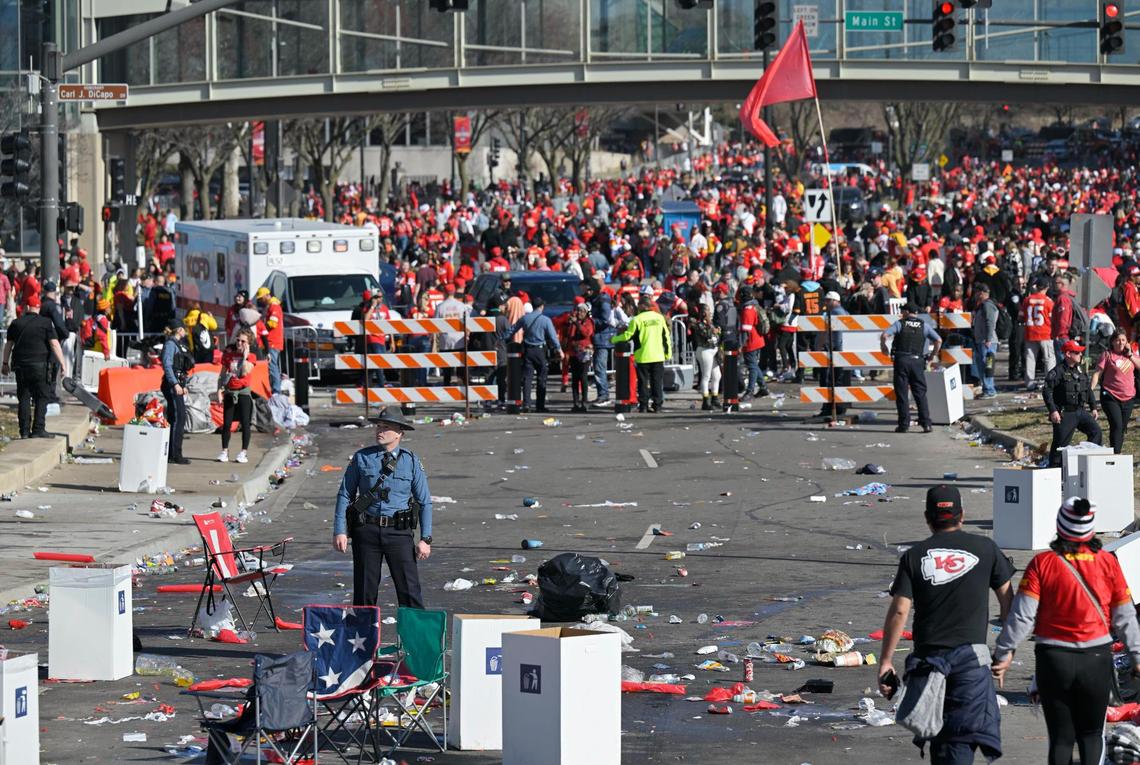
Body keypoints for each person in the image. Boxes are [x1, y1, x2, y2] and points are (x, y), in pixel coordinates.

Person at [992, 497, 1140, 765]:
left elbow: (1022, 615)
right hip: (1095, 659)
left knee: (1061, 738)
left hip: (1053, 659)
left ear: (1060, 526)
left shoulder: (1042, 564)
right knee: (1092, 734)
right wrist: (1137, 657)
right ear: (1091, 529)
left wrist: (1004, 653)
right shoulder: (1108, 563)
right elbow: (1125, 616)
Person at [878, 485, 1014, 765]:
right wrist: (1006, 649)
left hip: (930, 663)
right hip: (972, 664)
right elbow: (1008, 600)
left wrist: (886, 660)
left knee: (944, 744)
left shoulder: (914, 556)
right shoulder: (985, 548)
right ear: (962, 515)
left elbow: (900, 610)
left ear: (927, 518)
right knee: (960, 741)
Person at [333, 408, 433, 608]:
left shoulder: (411, 461)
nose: (379, 430)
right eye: (378, 425)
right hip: (366, 531)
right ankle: (363, 638)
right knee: (364, 593)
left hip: (399, 532)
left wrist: (425, 538)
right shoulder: (362, 458)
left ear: (399, 433)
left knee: (409, 591)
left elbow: (424, 501)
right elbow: (345, 494)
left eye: (386, 427)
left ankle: (414, 639)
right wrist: (340, 531)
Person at [1, 305, 67, 438]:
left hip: (21, 366)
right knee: (42, 396)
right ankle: (38, 429)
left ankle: (24, 431)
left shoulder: (16, 323)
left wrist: (5, 363)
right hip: (40, 366)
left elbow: (8, 345)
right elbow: (54, 344)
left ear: (26, 308)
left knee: (24, 397)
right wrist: (63, 364)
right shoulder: (46, 323)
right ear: (38, 308)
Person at [880, 302, 942, 433]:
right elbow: (938, 340)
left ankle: (904, 425)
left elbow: (885, 335)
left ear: (907, 312)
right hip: (917, 361)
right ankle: (926, 424)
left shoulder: (900, 323)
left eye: (902, 311)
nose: (901, 314)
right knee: (920, 393)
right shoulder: (924, 325)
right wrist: (932, 356)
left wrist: (883, 346)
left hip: (902, 360)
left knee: (902, 393)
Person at [1043, 340, 1102, 467]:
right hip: (1065, 414)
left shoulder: (1079, 370)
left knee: (1096, 432)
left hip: (1080, 411)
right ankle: (1055, 473)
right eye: (1077, 352)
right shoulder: (1057, 371)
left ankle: (1087, 464)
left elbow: (1087, 388)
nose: (1081, 355)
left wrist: (1093, 407)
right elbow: (1047, 391)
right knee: (1060, 445)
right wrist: (1053, 410)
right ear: (1068, 354)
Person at [613, 295, 673, 413]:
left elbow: (627, 336)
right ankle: (657, 406)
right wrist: (668, 353)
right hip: (658, 355)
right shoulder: (659, 318)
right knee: (657, 382)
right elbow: (666, 336)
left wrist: (614, 339)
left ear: (641, 306)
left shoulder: (637, 319)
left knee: (643, 382)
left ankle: (644, 405)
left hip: (643, 356)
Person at [508, 296, 563, 413]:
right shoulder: (546, 320)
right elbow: (553, 337)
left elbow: (512, 330)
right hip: (540, 351)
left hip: (528, 350)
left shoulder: (525, 318)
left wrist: (500, 339)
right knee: (541, 378)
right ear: (542, 306)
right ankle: (540, 405)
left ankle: (526, 404)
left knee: (527, 378)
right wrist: (559, 349)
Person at [1090, 328, 1140, 454]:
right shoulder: (1107, 355)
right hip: (1110, 395)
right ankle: (1116, 455)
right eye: (1118, 340)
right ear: (1112, 342)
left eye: (1123, 340)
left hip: (1128, 397)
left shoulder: (1131, 355)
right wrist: (1089, 391)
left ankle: (1115, 451)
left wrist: (1130, 355)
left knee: (1121, 428)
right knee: (1117, 425)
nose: (1121, 342)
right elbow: (1097, 374)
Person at [216, 329, 256, 465]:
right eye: (238, 340)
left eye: (243, 341)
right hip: (229, 392)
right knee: (226, 423)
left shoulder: (252, 357)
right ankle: (224, 451)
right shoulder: (228, 355)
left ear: (248, 343)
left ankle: (243, 452)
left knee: (245, 423)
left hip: (243, 393)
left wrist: (245, 356)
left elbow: (245, 372)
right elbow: (222, 374)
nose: (239, 343)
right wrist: (219, 390)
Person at [160, 319, 194, 465]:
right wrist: (175, 384)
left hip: (177, 385)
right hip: (172, 386)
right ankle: (175, 454)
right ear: (179, 330)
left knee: (178, 417)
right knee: (178, 418)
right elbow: (167, 366)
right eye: (183, 328)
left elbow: (180, 368)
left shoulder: (177, 345)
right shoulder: (170, 345)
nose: (185, 331)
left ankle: (173, 453)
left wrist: (182, 384)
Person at [816, 290, 852, 420]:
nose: (825, 302)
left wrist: (821, 347)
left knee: (828, 380)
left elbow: (827, 334)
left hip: (832, 351)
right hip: (840, 351)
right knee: (838, 380)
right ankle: (839, 408)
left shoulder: (834, 313)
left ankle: (828, 408)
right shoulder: (845, 312)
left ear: (834, 301)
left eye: (827, 300)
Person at [1023, 279, 1056, 390]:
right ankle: (1050, 383)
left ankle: (1029, 383)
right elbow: (1053, 318)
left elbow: (1021, 315)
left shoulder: (1027, 299)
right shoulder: (1048, 301)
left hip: (1030, 332)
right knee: (1049, 359)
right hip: (1045, 333)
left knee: (1030, 359)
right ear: (1047, 288)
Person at [689, 302, 722, 411]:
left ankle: (715, 398)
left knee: (717, 375)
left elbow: (717, 334)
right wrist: (712, 327)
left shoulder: (711, 323)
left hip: (713, 350)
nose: (710, 313)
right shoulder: (699, 324)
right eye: (708, 310)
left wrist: (715, 329)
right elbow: (707, 334)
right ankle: (705, 400)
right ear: (703, 312)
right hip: (705, 350)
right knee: (706, 376)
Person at [565, 299, 594, 412]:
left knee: (583, 377)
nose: (580, 313)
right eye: (578, 311)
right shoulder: (573, 323)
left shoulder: (588, 322)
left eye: (582, 311)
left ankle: (584, 402)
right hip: (574, 353)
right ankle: (575, 402)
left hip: (585, 353)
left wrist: (577, 323)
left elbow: (586, 333)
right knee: (575, 379)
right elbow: (569, 336)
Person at [971, 283, 999, 398]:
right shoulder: (981, 305)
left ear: (982, 293)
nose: (975, 295)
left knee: (987, 366)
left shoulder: (988, 305)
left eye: (977, 292)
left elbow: (990, 322)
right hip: (982, 340)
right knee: (982, 366)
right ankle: (987, 388)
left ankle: (990, 390)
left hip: (987, 342)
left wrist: (988, 339)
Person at [256, 286, 284, 395]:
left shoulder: (274, 306)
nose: (260, 301)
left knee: (272, 367)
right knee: (271, 366)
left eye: (261, 298)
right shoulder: (271, 306)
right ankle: (274, 389)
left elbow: (273, 323)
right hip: (270, 341)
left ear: (267, 295)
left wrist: (261, 328)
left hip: (273, 341)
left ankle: (276, 391)